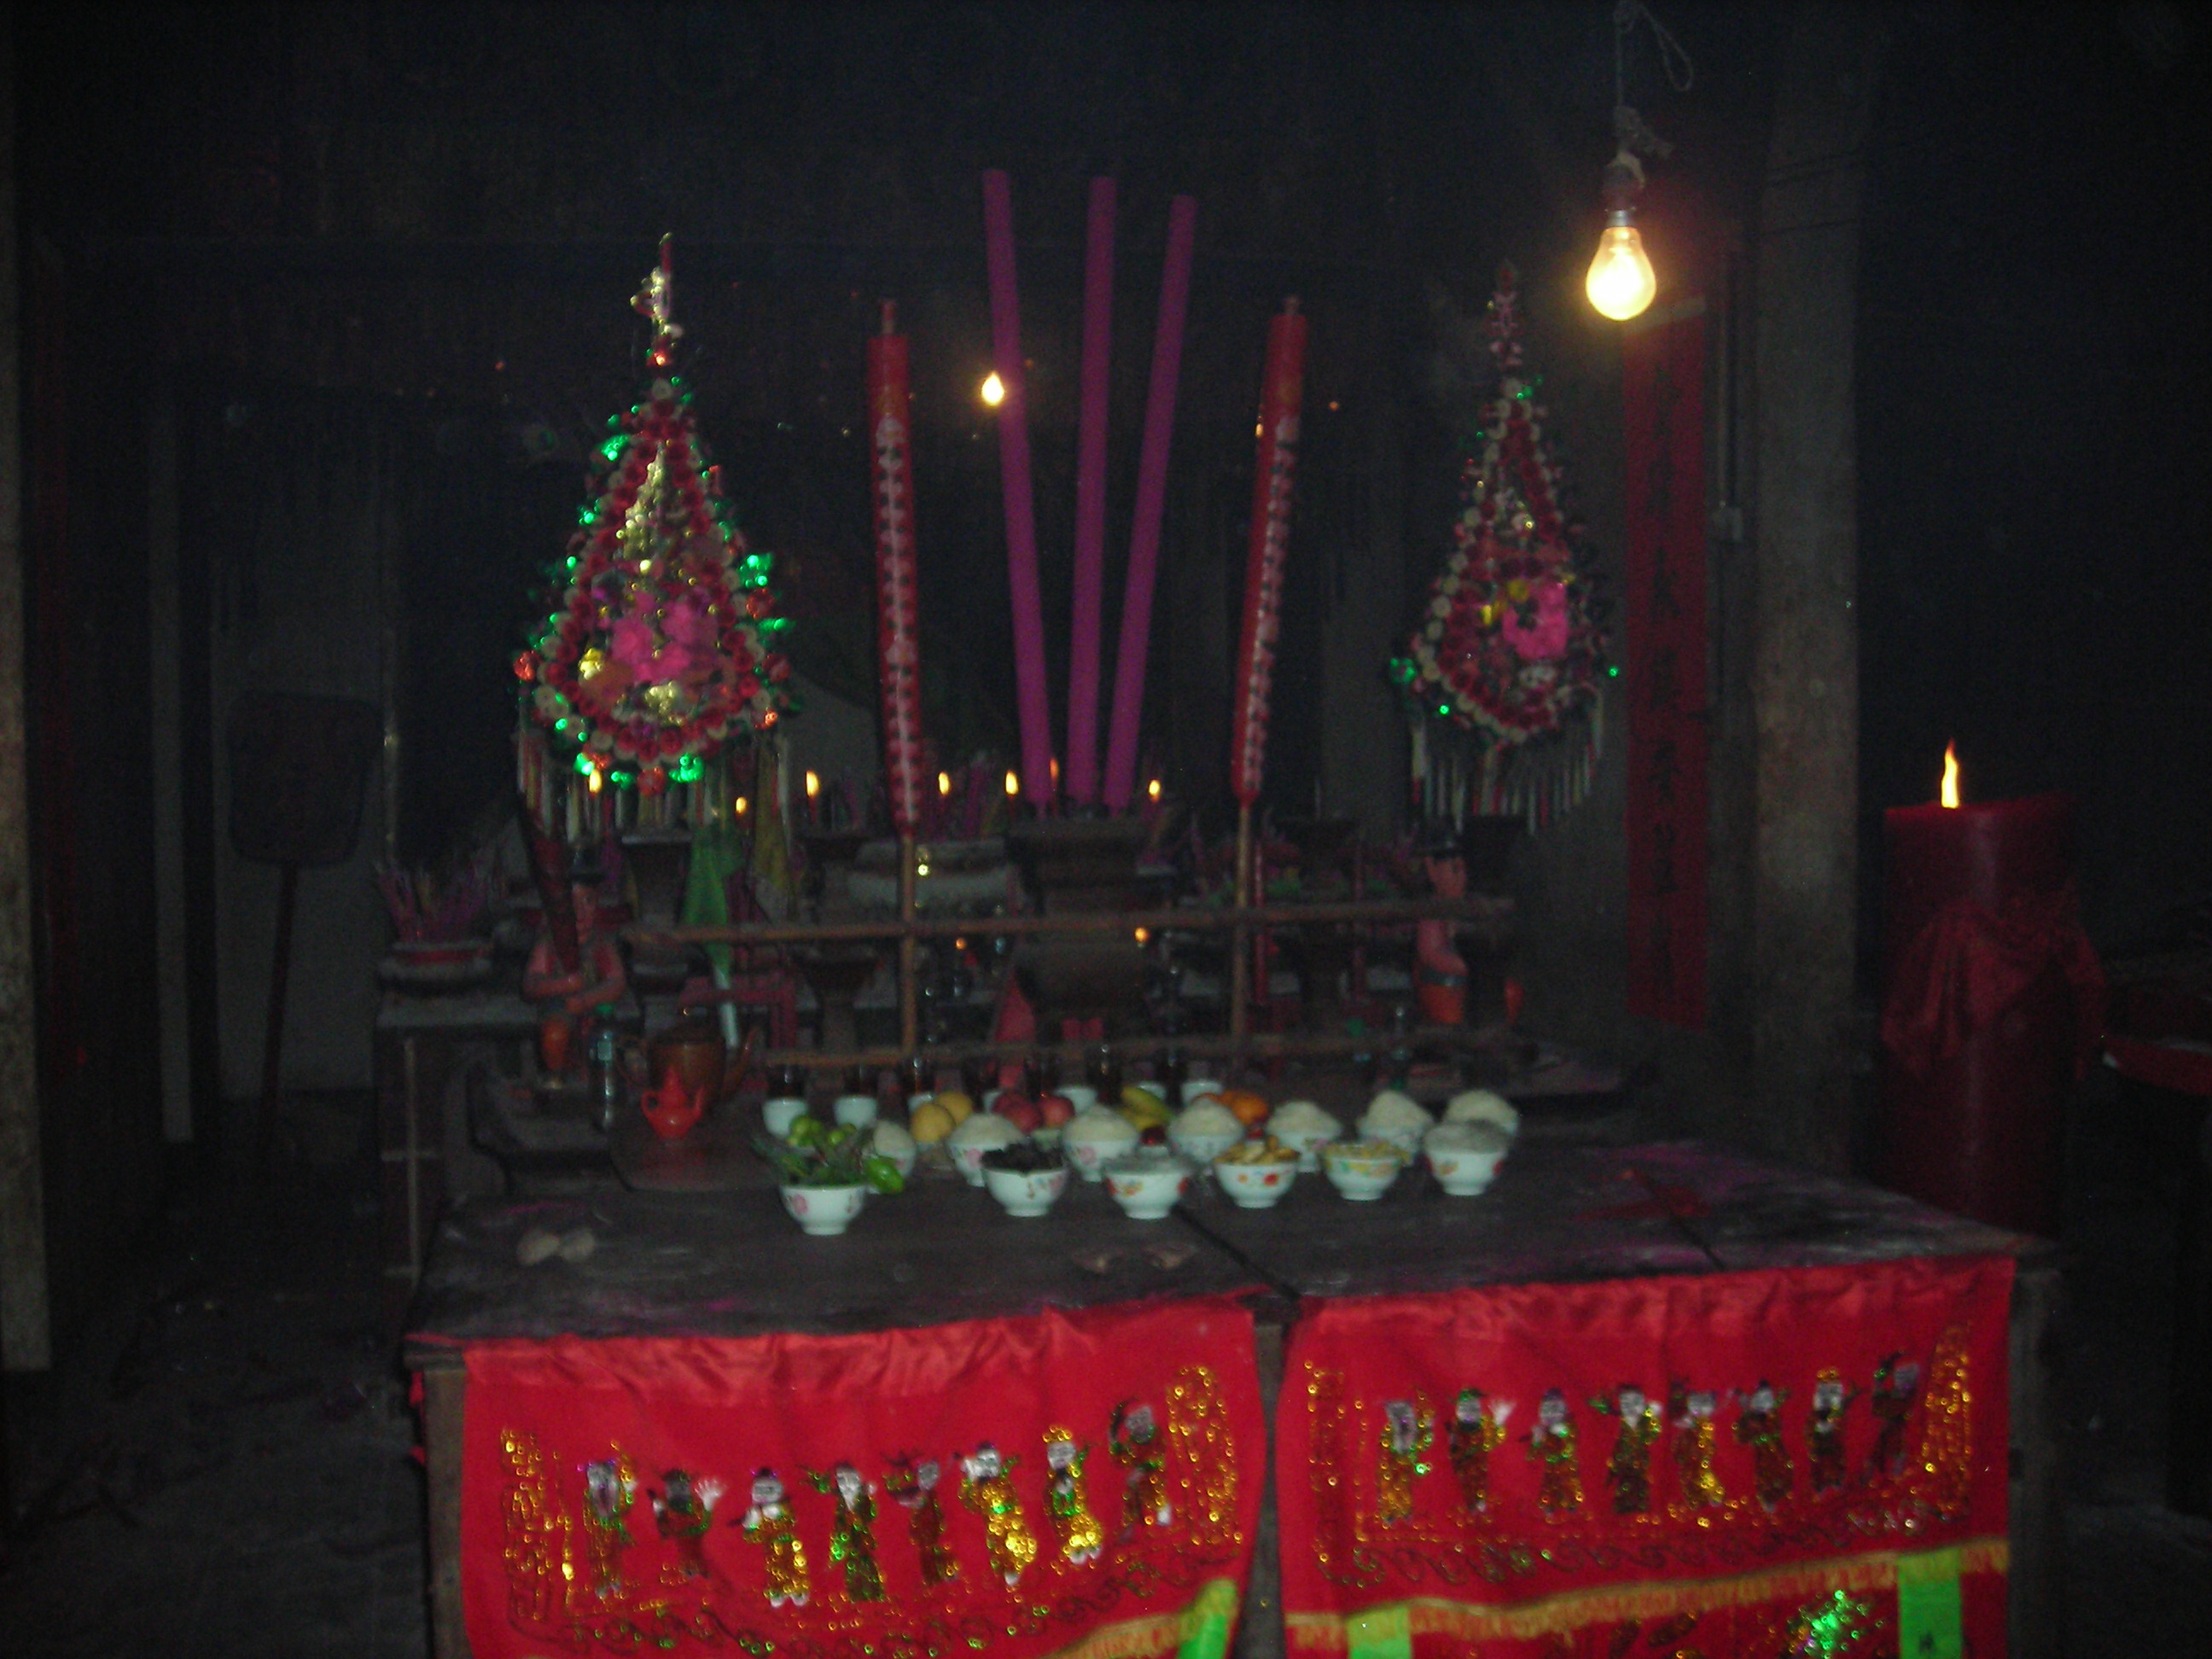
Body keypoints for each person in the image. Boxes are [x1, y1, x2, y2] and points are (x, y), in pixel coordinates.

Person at [525, 878, 628, 1073]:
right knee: (554, 1034)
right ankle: (557, 1078)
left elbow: (616, 981)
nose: (579, 911)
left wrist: (586, 999)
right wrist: (562, 984)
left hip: (598, 1010)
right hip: (559, 1008)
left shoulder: (601, 943)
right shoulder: (548, 943)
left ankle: (602, 1078)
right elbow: (532, 984)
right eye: (571, 902)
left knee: (606, 1040)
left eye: (588, 901)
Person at [1415, 833, 1470, 1026]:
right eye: (1454, 870)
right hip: (1444, 985)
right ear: (1432, 869)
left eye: (1465, 870)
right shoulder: (1433, 911)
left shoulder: (1466, 908)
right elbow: (1431, 953)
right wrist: (1465, 965)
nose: (1462, 878)